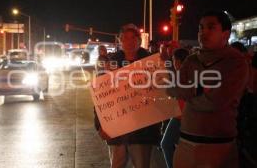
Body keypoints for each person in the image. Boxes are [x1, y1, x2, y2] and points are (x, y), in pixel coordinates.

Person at [172, 10, 249, 168]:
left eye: (211, 27)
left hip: (218, 147)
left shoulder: (236, 62)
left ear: (225, 34)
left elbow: (214, 102)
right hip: (185, 142)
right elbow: (176, 90)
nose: (203, 32)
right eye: (201, 28)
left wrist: (190, 91)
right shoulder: (191, 59)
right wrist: (202, 89)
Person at [95, 23, 161, 168]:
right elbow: (101, 96)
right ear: (120, 41)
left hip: (142, 131)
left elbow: (160, 92)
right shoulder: (110, 63)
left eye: (133, 38)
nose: (129, 42)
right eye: (125, 38)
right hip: (117, 129)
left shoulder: (151, 62)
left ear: (139, 40)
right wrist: (100, 125)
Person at [161, 48, 189, 168]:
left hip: (181, 117)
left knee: (166, 144)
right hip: (182, 116)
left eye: (173, 60)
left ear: (177, 61)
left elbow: (172, 91)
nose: (173, 63)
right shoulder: (188, 73)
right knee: (180, 146)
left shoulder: (183, 74)